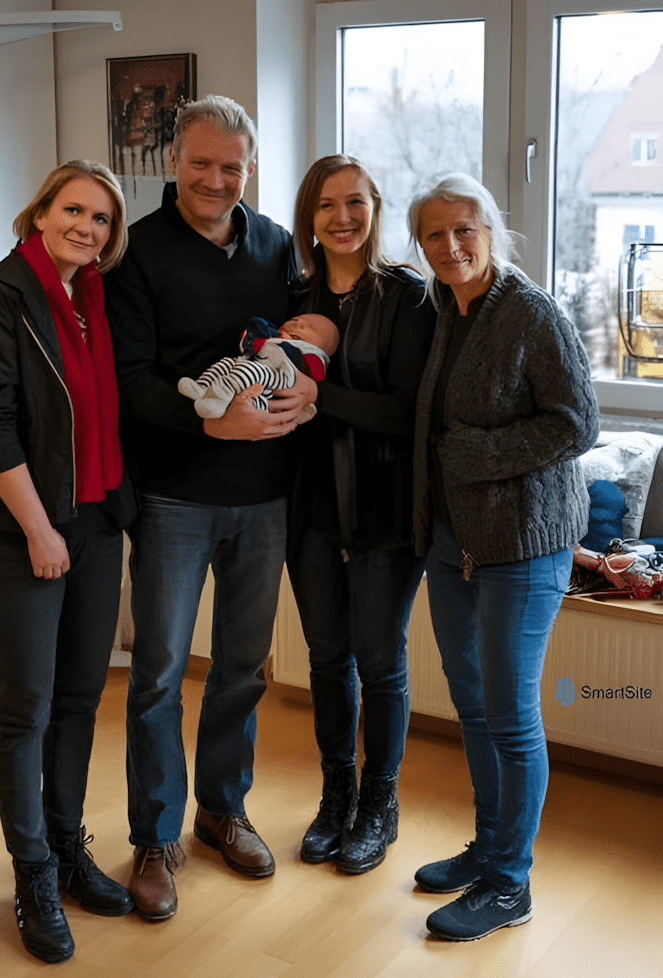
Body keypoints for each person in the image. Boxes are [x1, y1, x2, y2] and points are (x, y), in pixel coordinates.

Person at [104, 95, 310, 921]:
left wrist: (303, 392)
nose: (216, 180)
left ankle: (223, 810)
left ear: (249, 168)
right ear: (173, 163)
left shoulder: (277, 245)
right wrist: (208, 419)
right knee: (158, 674)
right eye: (201, 164)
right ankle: (156, 838)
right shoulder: (135, 252)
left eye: (232, 167)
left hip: (265, 497)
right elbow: (129, 380)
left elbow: (299, 343)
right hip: (173, 498)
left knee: (241, 670)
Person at [0, 160, 138, 963]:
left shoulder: (94, 298)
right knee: (27, 705)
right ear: (40, 214)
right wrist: (37, 528)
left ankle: (66, 849)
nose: (86, 228)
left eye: (101, 219)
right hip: (23, 531)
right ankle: (31, 873)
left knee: (79, 698)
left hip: (94, 523)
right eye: (73, 210)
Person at [408, 173, 599, 941]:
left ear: (491, 229)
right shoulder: (442, 308)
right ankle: (489, 849)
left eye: (464, 229)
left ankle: (510, 884)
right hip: (452, 542)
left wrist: (480, 455)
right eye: (433, 234)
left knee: (512, 716)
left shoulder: (531, 311)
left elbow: (578, 423)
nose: (450, 245)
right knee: (473, 702)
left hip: (523, 543)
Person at [286, 155, 436, 874]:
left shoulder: (409, 296)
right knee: (326, 659)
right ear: (309, 218)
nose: (341, 217)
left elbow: (407, 414)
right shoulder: (292, 295)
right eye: (326, 205)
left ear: (375, 208)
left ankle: (380, 801)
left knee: (378, 661)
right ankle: (335, 793)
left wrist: (319, 398)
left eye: (354, 202)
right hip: (310, 510)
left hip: (385, 511)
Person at [178, 313, 339, 421]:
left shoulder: (312, 355)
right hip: (250, 364)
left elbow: (315, 378)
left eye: (312, 328)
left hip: (275, 379)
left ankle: (219, 401)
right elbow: (250, 343)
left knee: (252, 373)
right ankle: (203, 387)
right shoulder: (274, 336)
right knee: (227, 363)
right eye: (296, 320)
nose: (299, 325)